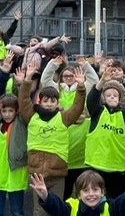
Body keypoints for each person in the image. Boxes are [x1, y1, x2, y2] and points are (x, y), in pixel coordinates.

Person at [18, 60, 87, 216]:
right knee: (38, 210)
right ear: (40, 101)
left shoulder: (64, 117)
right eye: (46, 100)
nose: (49, 103)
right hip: (37, 174)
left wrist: (81, 88)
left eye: (53, 101)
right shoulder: (32, 116)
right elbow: (23, 100)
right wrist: (27, 80)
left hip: (57, 174)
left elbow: (77, 107)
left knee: (56, 209)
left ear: (57, 102)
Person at [85, 66, 125, 198]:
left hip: (118, 168)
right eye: (108, 95)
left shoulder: (123, 115)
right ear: (103, 98)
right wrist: (102, 81)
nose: (112, 97)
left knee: (116, 204)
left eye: (115, 95)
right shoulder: (98, 112)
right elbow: (92, 99)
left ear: (120, 99)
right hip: (96, 166)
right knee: (95, 202)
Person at [30, 169, 125, 216]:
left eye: (95, 189)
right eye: (85, 190)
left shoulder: (110, 207)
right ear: (79, 194)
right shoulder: (71, 208)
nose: (91, 194)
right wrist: (45, 195)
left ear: (103, 192)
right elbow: (56, 206)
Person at [0, 94, 29, 216]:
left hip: (15, 175)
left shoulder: (21, 124)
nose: (7, 114)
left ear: (17, 111)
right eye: (4, 111)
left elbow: (25, 103)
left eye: (11, 111)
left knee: (17, 212)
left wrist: (22, 83)